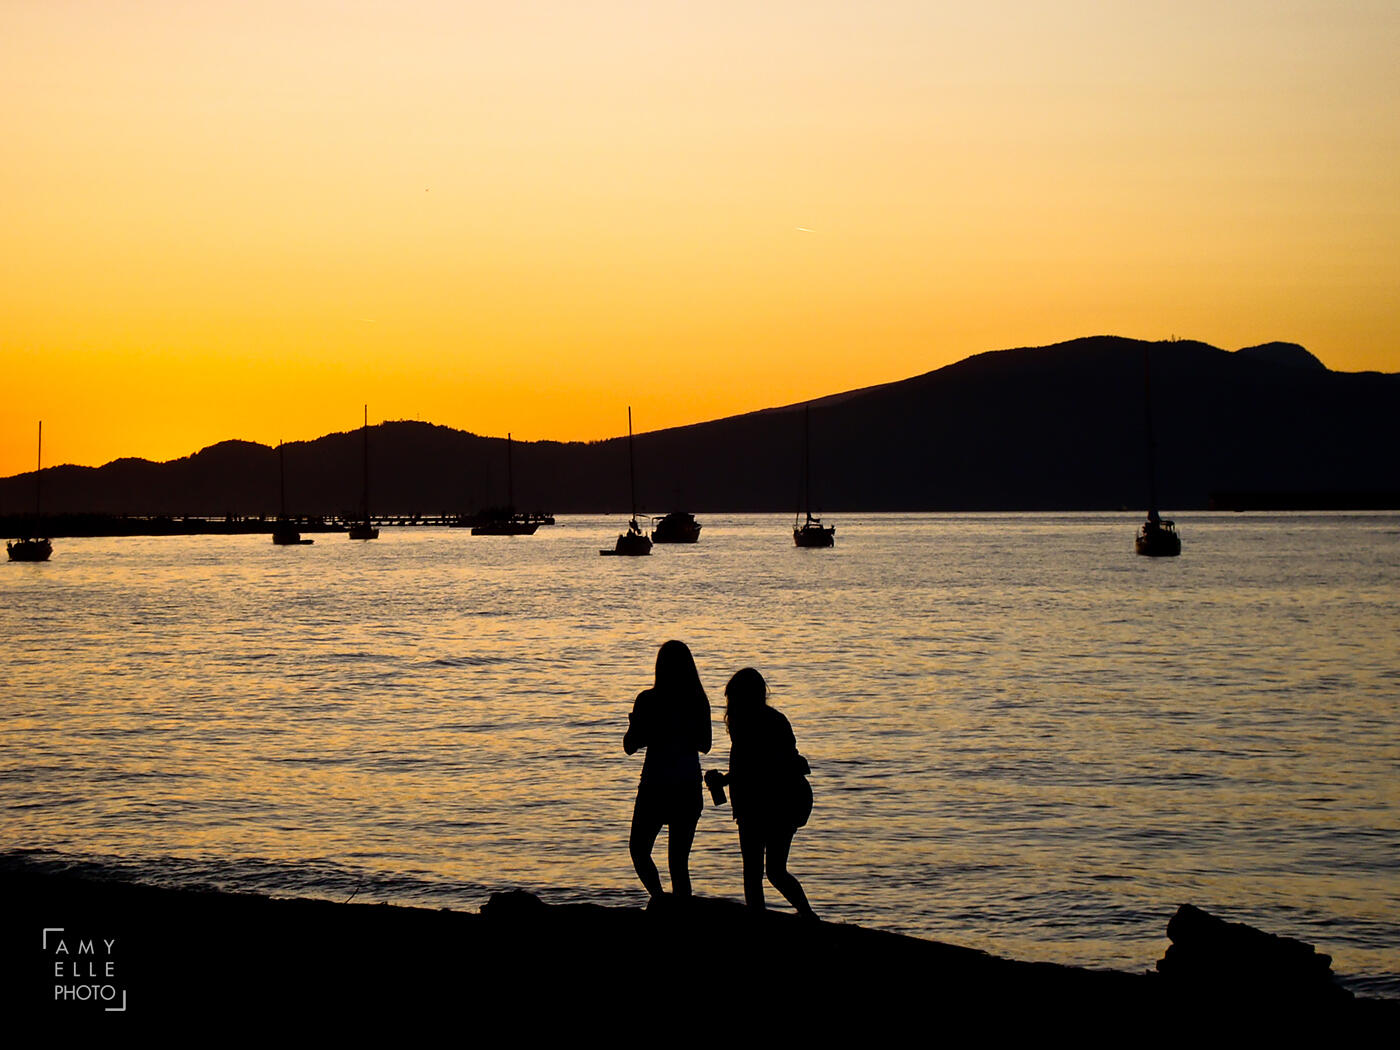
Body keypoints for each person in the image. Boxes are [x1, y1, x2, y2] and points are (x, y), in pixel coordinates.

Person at [705, 667, 816, 919]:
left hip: (766, 804)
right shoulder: (774, 720)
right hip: (785, 801)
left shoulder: (748, 726)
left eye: (732, 699)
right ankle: (807, 916)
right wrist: (726, 780)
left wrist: (724, 781)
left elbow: (758, 768)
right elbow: (761, 766)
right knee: (775, 871)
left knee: (754, 872)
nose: (729, 705)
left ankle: (765, 921)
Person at [624, 640, 712, 900]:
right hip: (686, 787)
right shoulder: (697, 700)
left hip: (655, 786)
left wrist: (644, 728)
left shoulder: (648, 700)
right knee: (678, 864)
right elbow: (705, 744)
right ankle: (672, 908)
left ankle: (659, 899)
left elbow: (630, 745)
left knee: (639, 850)